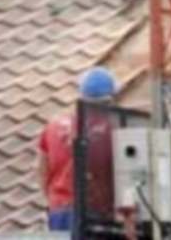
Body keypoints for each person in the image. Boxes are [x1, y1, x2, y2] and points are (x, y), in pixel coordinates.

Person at [36, 66, 117, 231]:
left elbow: (41, 168)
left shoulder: (53, 126)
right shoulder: (109, 130)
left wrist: (52, 200)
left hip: (59, 210)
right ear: (108, 101)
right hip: (93, 211)